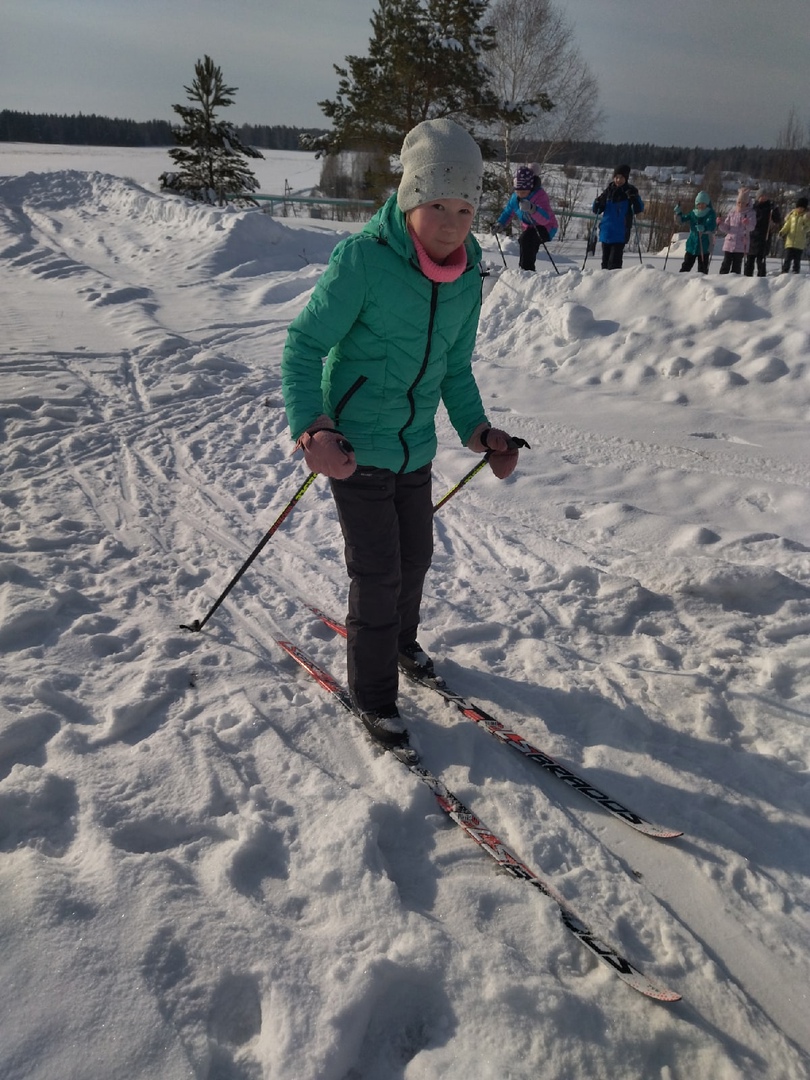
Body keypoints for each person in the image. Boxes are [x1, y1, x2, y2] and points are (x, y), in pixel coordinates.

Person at [281, 118, 525, 748]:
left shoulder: (467, 276)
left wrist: (479, 431)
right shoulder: (363, 261)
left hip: (415, 447)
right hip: (355, 449)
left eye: (464, 209)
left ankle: (400, 642)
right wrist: (312, 427)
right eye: (437, 205)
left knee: (415, 558)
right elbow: (304, 347)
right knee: (379, 573)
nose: (451, 223)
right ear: (410, 198)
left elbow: (454, 368)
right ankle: (373, 694)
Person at [493, 165, 558, 271]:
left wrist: (533, 209)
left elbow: (545, 219)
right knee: (524, 240)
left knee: (527, 239)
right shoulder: (515, 198)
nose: (520, 194)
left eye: (523, 192)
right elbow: (508, 212)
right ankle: (523, 269)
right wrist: (500, 223)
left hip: (547, 227)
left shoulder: (540, 196)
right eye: (517, 191)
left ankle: (527, 270)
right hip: (530, 228)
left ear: (530, 188)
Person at [591, 164, 644, 270]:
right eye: (616, 177)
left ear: (626, 178)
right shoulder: (608, 191)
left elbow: (639, 209)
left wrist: (634, 198)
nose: (618, 180)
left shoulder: (630, 191)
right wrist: (597, 202)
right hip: (606, 232)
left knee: (614, 264)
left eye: (621, 177)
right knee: (605, 263)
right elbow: (597, 210)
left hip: (620, 233)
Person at [674, 191, 717, 274]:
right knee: (686, 265)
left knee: (703, 268)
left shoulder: (710, 213)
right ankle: (680, 278)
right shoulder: (693, 213)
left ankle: (702, 280)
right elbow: (682, 220)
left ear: (707, 203)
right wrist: (678, 213)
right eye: (699, 204)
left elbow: (712, 225)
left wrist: (704, 228)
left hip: (704, 245)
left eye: (703, 203)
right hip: (692, 244)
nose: (701, 206)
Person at [716, 188, 756, 275]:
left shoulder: (751, 213)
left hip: (741, 244)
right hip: (729, 243)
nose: (741, 204)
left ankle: (734, 280)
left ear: (747, 203)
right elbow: (727, 228)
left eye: (743, 203)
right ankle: (721, 278)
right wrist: (720, 224)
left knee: (736, 265)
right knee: (726, 263)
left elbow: (752, 227)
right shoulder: (732, 212)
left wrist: (747, 223)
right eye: (739, 202)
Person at [744, 189, 782, 277]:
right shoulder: (753, 207)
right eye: (761, 196)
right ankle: (747, 277)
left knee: (761, 260)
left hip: (764, 236)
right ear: (758, 197)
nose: (764, 198)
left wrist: (775, 210)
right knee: (750, 259)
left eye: (765, 196)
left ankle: (761, 278)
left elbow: (777, 220)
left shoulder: (769, 207)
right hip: (753, 236)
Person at [778, 196, 810, 274]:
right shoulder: (792, 216)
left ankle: (796, 272)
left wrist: (805, 226)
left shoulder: (806, 217)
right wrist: (782, 232)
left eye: (802, 208)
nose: (800, 209)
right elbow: (787, 226)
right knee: (787, 258)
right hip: (790, 241)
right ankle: (784, 271)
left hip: (799, 243)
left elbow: (808, 227)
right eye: (799, 207)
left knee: (797, 259)